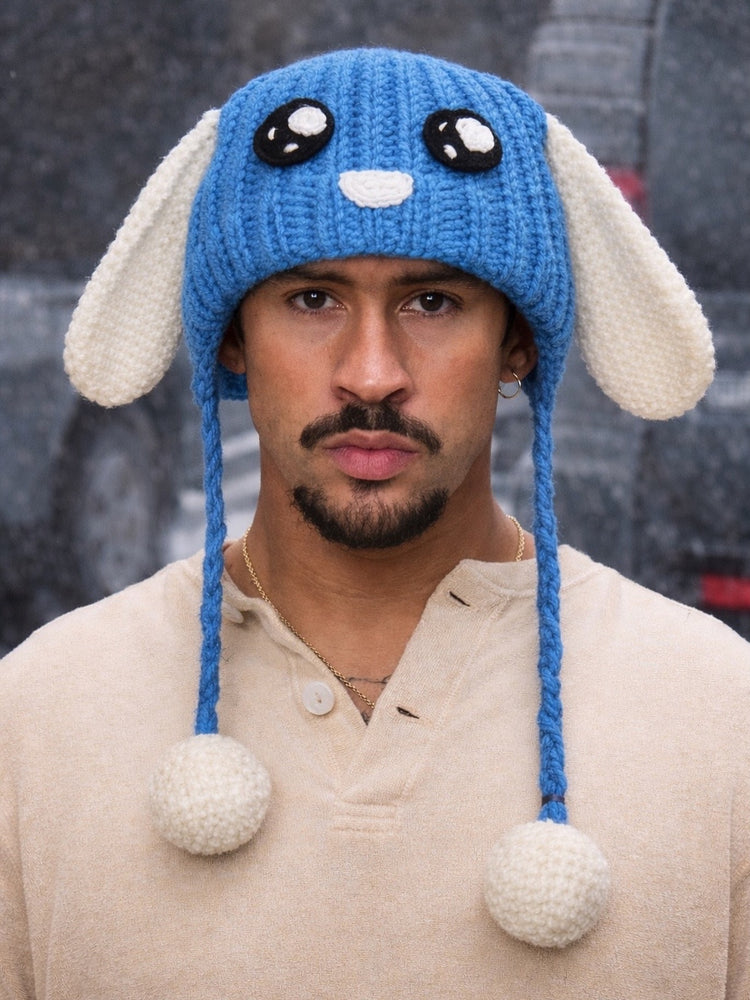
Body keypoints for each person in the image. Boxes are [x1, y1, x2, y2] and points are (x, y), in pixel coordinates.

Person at [1, 47, 748, 998]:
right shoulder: (40, 719)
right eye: (313, 299)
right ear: (232, 338)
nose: (371, 373)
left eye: (432, 301)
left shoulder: (718, 718)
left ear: (517, 343)